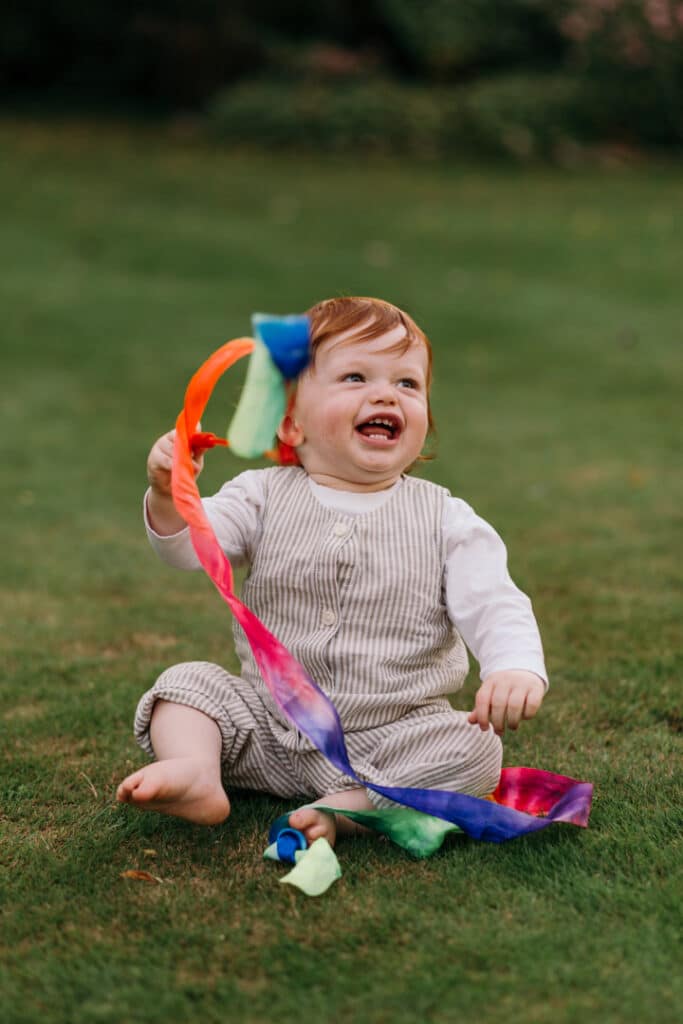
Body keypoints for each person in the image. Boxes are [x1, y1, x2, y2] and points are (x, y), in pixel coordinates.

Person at [117, 296, 547, 847]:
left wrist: (513, 667)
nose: (386, 393)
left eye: (408, 385)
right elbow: (189, 549)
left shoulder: (446, 520)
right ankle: (198, 770)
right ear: (290, 423)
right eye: (355, 376)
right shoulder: (261, 495)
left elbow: (496, 602)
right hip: (268, 727)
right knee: (185, 686)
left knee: (475, 750)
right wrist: (168, 492)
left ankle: (344, 808)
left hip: (393, 736)